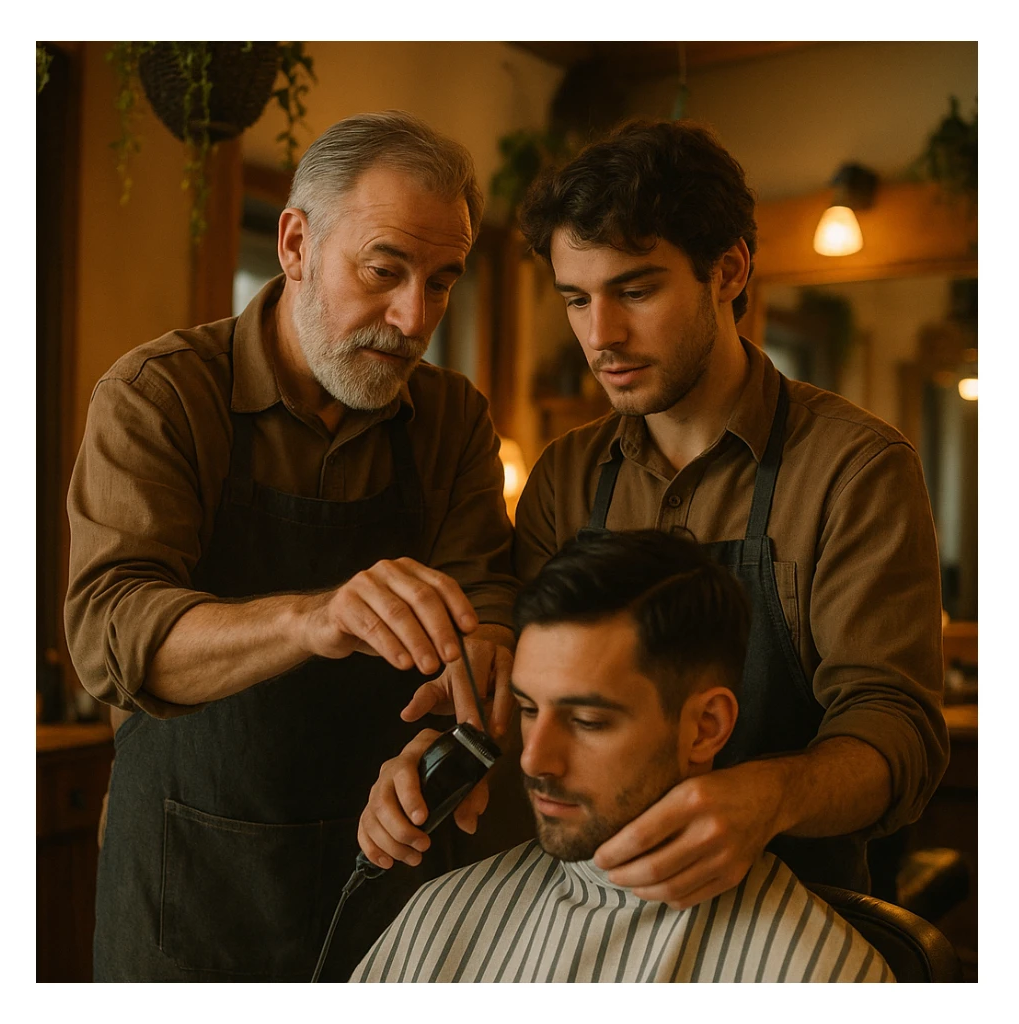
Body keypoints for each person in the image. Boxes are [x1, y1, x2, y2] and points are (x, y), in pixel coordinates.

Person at [359, 117, 948, 909]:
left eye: (636, 291)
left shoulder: (854, 470)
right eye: (577, 299)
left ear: (729, 270)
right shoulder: (567, 477)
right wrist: (440, 758)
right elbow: (533, 699)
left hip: (790, 919)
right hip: (590, 912)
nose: (600, 336)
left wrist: (769, 797)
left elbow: (899, 729)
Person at [64, 110, 519, 982]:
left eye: (442, 282)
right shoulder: (160, 398)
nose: (413, 316)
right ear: (296, 243)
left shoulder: (454, 419)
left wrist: (457, 717)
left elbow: (487, 607)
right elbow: (108, 634)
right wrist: (314, 620)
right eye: (384, 270)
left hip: (395, 874)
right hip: (189, 888)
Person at [351, 531, 893, 983]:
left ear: (705, 727)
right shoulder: (442, 914)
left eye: (588, 721)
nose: (534, 761)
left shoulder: (818, 975)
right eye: (529, 709)